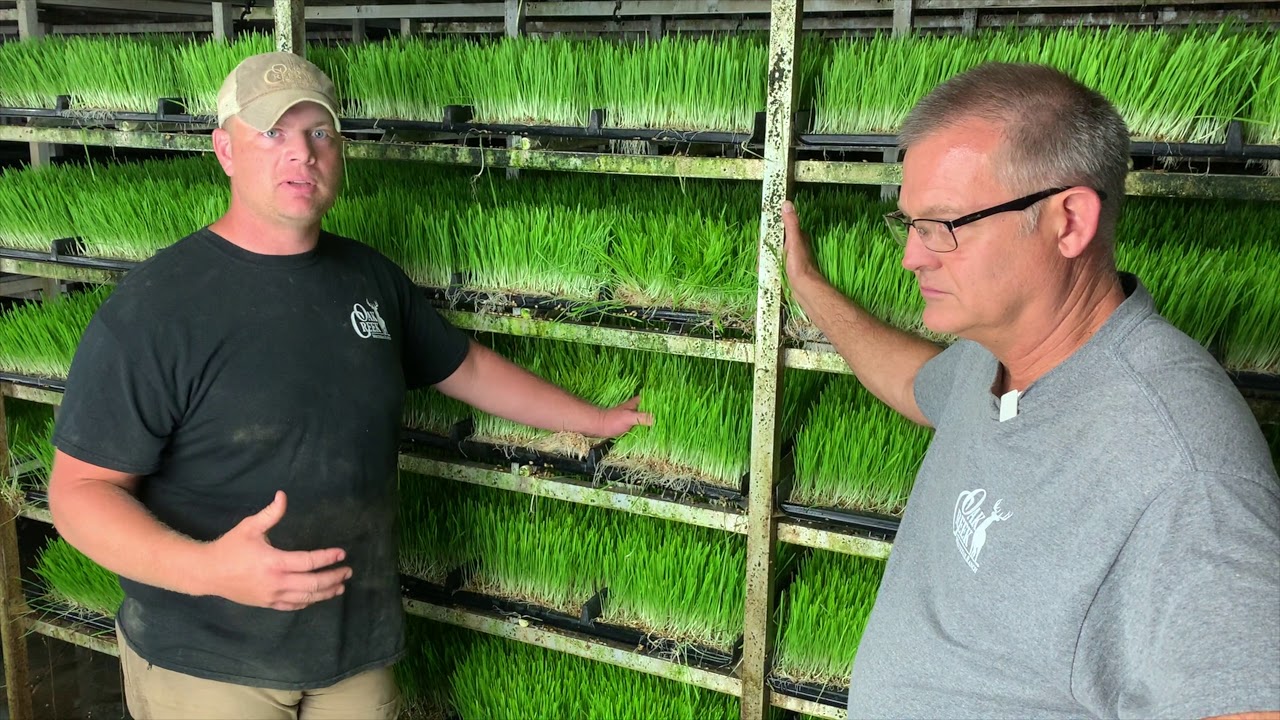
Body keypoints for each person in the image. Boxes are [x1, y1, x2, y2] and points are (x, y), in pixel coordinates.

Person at [47, 52, 649, 719]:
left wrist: (590, 421)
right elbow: (79, 493)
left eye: (319, 134)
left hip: (355, 651)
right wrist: (211, 570)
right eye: (272, 133)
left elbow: (466, 368)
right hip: (212, 664)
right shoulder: (157, 309)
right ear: (224, 148)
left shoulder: (370, 280)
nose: (300, 154)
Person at [783, 62, 1279, 719]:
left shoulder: (1183, 469)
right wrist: (810, 293)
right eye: (909, 224)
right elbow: (914, 381)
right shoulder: (989, 360)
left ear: (1068, 221)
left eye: (943, 226)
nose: (912, 256)